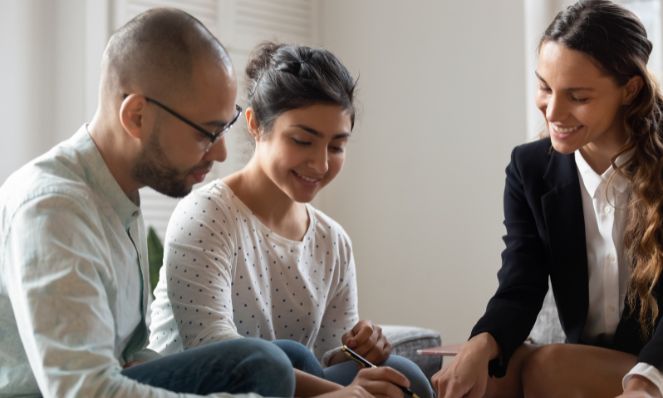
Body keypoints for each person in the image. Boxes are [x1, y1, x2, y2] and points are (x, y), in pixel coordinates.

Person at [0, 8, 298, 397]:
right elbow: (82, 390)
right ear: (136, 116)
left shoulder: (117, 193)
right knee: (267, 369)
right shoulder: (53, 209)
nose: (222, 153)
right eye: (207, 132)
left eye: (225, 125)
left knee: (284, 358)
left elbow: (128, 356)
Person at [148, 42, 434, 398]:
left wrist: (361, 349)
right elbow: (215, 348)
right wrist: (346, 394)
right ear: (254, 124)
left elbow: (328, 359)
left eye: (336, 146)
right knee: (285, 355)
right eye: (302, 141)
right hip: (208, 389)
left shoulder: (332, 241)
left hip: (285, 384)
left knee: (402, 375)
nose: (321, 164)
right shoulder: (207, 215)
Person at [432, 1, 663, 397]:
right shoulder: (530, 168)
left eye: (577, 96)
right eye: (544, 86)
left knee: (548, 368)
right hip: (589, 358)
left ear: (630, 89)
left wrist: (644, 384)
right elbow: (522, 280)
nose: (552, 111)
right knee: (481, 374)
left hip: (656, 361)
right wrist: (482, 342)